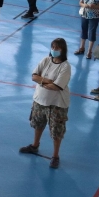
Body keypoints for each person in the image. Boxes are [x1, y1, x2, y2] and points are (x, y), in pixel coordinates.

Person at [19, 38, 71, 169]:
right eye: (52, 47)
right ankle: (35, 145)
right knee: (38, 123)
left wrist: (41, 81)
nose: (54, 50)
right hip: (40, 100)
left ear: (63, 50)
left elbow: (57, 86)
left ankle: (55, 156)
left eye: (57, 48)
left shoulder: (65, 66)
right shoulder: (46, 60)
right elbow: (34, 76)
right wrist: (46, 81)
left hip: (57, 104)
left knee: (56, 130)